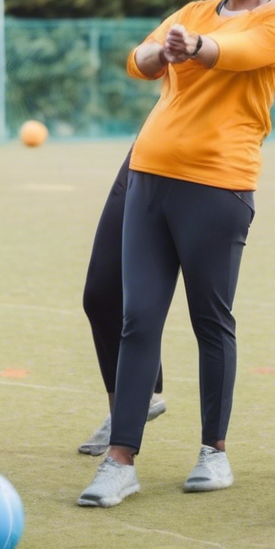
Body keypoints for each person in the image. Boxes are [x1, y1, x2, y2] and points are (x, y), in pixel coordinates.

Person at [77, 0, 275, 507]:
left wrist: (196, 48)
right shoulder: (191, 10)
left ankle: (215, 452)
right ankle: (120, 459)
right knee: (137, 321)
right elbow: (140, 60)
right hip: (149, 177)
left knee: (211, 321)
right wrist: (162, 50)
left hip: (218, 186)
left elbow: (236, 54)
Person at [76, 147, 167, 457]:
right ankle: (124, 413)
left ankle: (213, 451)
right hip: (153, 142)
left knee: (205, 313)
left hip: (208, 161)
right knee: (99, 295)